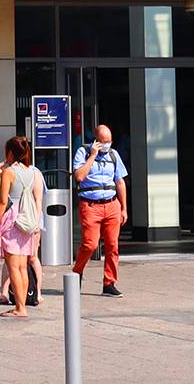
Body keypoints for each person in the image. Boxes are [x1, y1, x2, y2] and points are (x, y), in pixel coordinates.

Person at [71, 124, 129, 296]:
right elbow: (79, 176)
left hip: (112, 205)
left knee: (112, 245)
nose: (107, 145)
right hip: (90, 205)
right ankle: (77, 272)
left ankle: (109, 283)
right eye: (103, 142)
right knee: (90, 244)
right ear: (95, 140)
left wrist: (124, 208)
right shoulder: (83, 152)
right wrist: (93, 156)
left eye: (109, 141)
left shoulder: (114, 155)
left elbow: (120, 182)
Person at [0, 135, 44, 318]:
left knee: (13, 266)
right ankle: (22, 306)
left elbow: (2, 201)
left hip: (13, 220)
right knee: (23, 266)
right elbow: (38, 198)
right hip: (28, 221)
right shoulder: (34, 172)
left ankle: (20, 308)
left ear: (10, 153)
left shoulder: (9, 173)